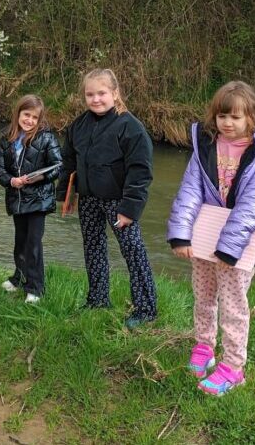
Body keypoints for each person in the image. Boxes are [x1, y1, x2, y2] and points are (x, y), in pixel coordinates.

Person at [167, 81, 255, 396]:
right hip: (204, 239)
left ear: (252, 117)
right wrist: (181, 235)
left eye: (236, 117)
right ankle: (204, 346)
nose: (227, 123)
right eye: (222, 115)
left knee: (234, 306)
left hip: (236, 246)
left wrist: (228, 248)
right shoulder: (205, 147)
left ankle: (233, 368)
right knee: (203, 296)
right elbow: (190, 192)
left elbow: (253, 208)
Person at [57, 68, 157, 329]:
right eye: (90, 94)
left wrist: (129, 209)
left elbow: (140, 172)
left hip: (119, 202)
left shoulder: (131, 128)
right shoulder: (78, 126)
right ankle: (98, 299)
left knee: (132, 251)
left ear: (115, 93)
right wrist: (65, 195)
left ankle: (146, 308)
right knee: (93, 248)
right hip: (88, 198)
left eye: (101, 93)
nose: (96, 99)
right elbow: (69, 162)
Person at [0, 95, 62, 304]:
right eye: (26, 115)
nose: (29, 120)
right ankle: (19, 278)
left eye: (34, 117)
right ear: (18, 114)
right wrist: (11, 181)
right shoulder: (6, 137)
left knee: (33, 244)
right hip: (17, 198)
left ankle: (36, 288)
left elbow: (58, 166)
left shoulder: (47, 138)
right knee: (20, 242)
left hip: (39, 200)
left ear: (39, 120)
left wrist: (38, 177)